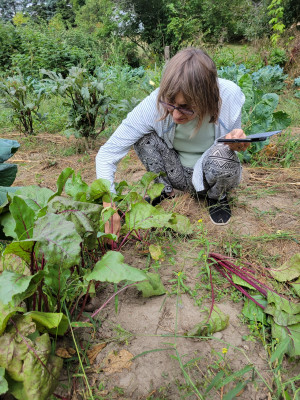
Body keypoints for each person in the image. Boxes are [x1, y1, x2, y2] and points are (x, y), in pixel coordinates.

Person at [95, 48, 250, 237]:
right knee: (143, 138)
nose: (176, 115)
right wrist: (108, 204)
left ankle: (216, 197)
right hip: (176, 172)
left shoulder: (228, 97)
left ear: (207, 98)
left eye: (186, 107)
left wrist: (234, 143)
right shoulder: (154, 103)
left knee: (224, 155)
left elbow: (232, 145)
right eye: (170, 104)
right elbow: (107, 153)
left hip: (209, 176)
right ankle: (167, 190)